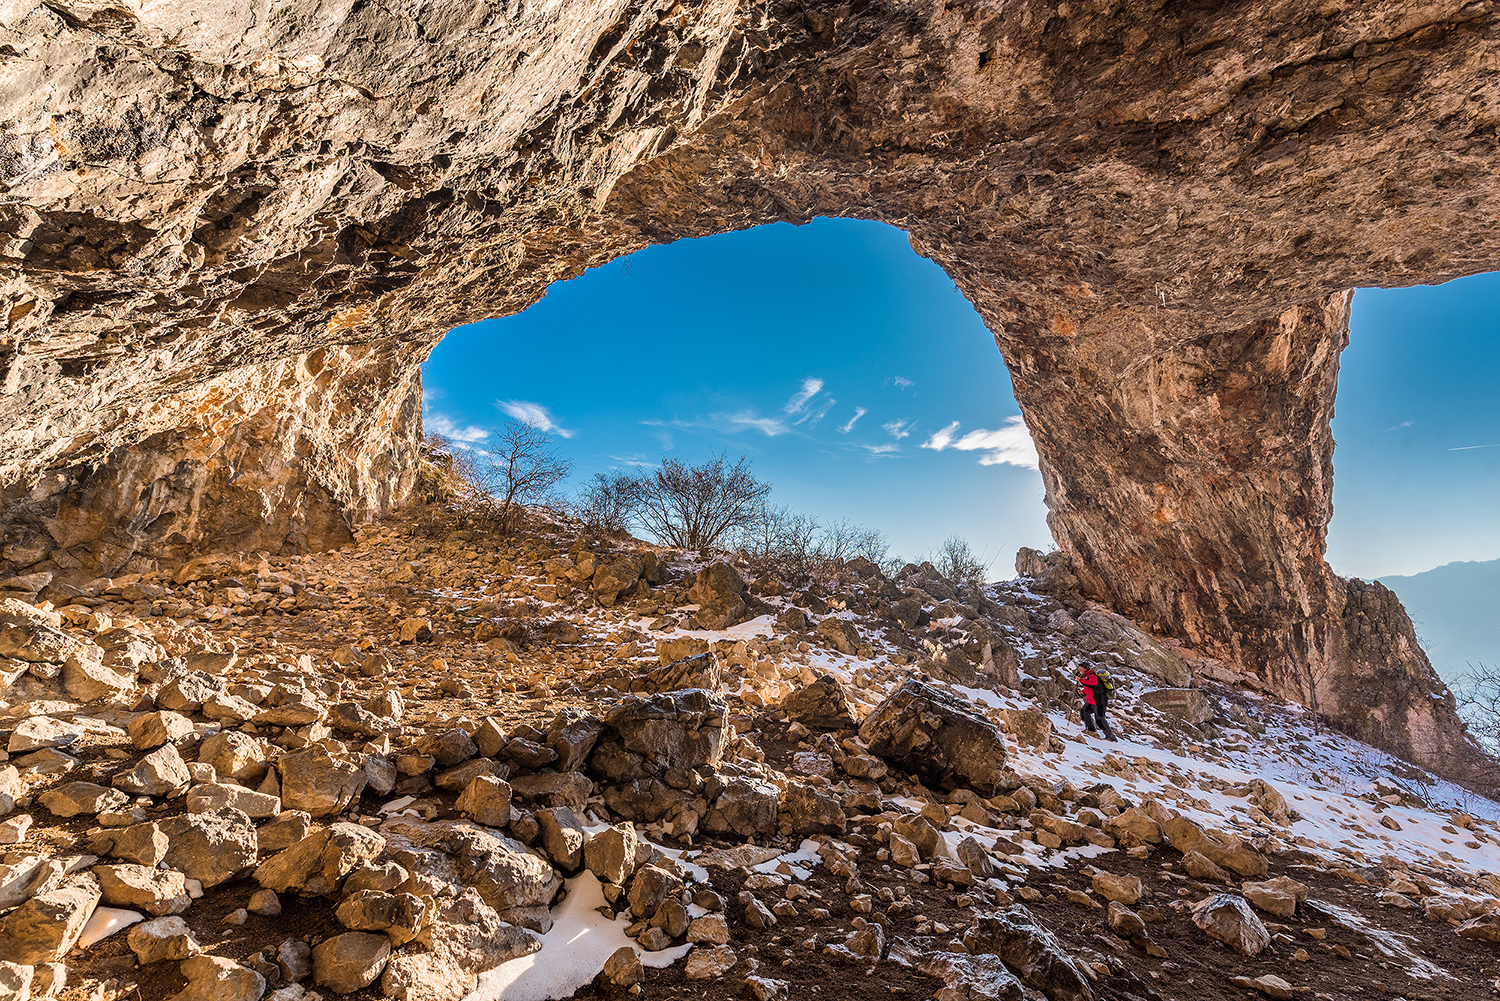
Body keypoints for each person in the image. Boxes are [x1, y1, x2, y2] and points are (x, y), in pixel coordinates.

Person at [1077, 663, 1117, 741]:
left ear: (1086, 668)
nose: (1079, 669)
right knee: (1084, 712)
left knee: (1100, 720)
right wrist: (1083, 692)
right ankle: (1091, 730)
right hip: (1091, 701)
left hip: (1099, 702)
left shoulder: (1093, 676)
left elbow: (1093, 684)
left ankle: (1111, 737)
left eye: (1081, 668)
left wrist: (1080, 680)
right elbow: (1089, 688)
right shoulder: (1087, 676)